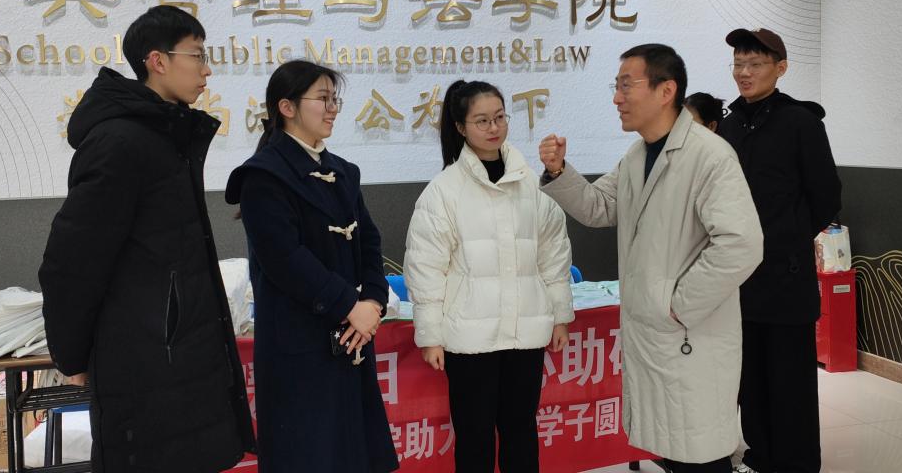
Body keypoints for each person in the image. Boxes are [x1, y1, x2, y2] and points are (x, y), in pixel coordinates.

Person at [38, 5, 255, 472]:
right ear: (158, 61)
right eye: (197, 55)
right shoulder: (120, 142)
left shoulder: (166, 135)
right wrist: (72, 355)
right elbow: (72, 262)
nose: (207, 69)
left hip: (177, 354)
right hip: (145, 359)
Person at [538, 44, 763, 473]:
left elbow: (742, 244)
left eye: (627, 86)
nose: (617, 98)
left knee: (699, 454)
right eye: (616, 86)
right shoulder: (638, 155)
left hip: (690, 332)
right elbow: (599, 206)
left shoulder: (709, 155)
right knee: (673, 448)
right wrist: (559, 172)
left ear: (666, 91)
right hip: (656, 334)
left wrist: (678, 303)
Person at [224, 60, 398, 473]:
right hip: (298, 344)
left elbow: (369, 241)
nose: (333, 108)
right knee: (308, 455)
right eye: (323, 98)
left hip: (351, 337)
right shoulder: (263, 176)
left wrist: (373, 302)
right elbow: (285, 258)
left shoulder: (343, 172)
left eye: (335, 99)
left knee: (353, 455)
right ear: (287, 107)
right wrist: (349, 306)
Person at [404, 80, 575, 473]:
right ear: (461, 127)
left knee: (521, 431)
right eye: (481, 121)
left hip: (525, 333)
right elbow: (426, 267)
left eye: (499, 117)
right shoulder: (444, 191)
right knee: (474, 437)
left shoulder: (532, 184)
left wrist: (560, 315)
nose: (494, 127)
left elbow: (553, 254)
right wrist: (430, 335)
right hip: (470, 338)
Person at [718, 28, 841, 473]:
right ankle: (760, 458)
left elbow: (827, 197)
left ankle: (796, 464)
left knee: (790, 383)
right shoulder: (728, 126)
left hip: (786, 279)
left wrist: (788, 239)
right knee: (750, 381)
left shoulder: (801, 123)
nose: (744, 73)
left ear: (781, 68)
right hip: (738, 280)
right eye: (738, 64)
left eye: (754, 64)